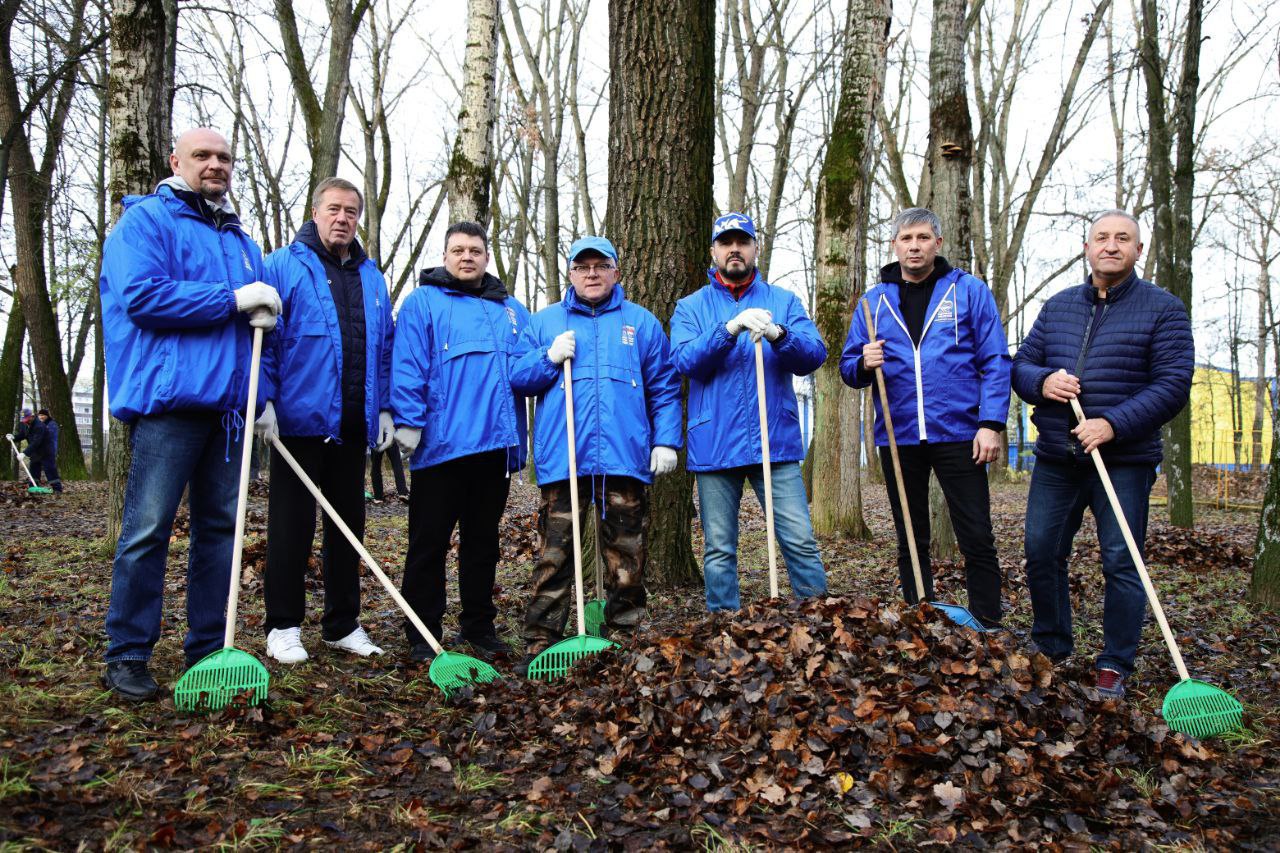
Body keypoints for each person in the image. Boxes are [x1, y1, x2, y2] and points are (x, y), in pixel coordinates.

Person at [99, 128, 281, 701]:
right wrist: (231, 300)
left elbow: (259, 335)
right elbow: (142, 297)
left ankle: (208, 650)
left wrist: (262, 397)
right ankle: (128, 653)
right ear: (176, 161)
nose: (215, 165)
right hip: (170, 405)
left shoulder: (243, 242)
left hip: (229, 412)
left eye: (224, 157)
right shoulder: (145, 222)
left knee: (222, 533)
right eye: (202, 155)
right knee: (147, 530)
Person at [1012, 209, 1193, 698]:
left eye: (1123, 238)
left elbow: (1173, 385)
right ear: (1087, 248)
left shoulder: (1164, 309)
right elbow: (1022, 365)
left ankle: (1115, 663)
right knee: (1041, 551)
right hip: (1057, 457)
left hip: (1125, 461)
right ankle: (1051, 645)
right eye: (1102, 237)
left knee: (1120, 558)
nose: (1111, 245)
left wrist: (1113, 424)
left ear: (1139, 250)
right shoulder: (1059, 307)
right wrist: (1043, 382)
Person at [509, 236, 682, 669]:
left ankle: (625, 633)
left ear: (616, 272)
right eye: (582, 267)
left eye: (601, 266)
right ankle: (541, 639)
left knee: (627, 554)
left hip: (624, 457)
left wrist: (665, 439)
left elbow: (664, 387)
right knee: (554, 554)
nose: (592, 274)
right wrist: (548, 357)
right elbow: (518, 376)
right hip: (563, 458)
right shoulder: (545, 322)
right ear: (570, 273)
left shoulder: (640, 323)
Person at [840, 207, 1010, 628]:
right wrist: (863, 362)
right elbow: (848, 369)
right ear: (894, 245)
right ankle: (921, 617)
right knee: (910, 537)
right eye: (906, 238)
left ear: (938, 243)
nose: (914, 246)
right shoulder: (873, 302)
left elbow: (995, 360)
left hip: (960, 432)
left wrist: (991, 423)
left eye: (922, 238)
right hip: (898, 435)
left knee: (976, 534)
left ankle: (988, 622)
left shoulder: (968, 291)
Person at [256, 177, 395, 664]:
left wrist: (384, 407)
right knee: (290, 529)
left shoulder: (372, 278)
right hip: (297, 424)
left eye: (351, 211)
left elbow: (384, 348)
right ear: (314, 212)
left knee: (347, 529)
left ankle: (342, 624)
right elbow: (264, 339)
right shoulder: (282, 265)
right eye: (334, 209)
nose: (342, 218)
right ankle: (283, 625)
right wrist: (263, 399)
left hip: (353, 425)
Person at [670, 212, 828, 611]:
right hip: (714, 442)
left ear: (756, 248)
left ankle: (820, 620)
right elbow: (685, 360)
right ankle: (725, 625)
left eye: (742, 242)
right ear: (714, 251)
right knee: (719, 548)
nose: (735, 250)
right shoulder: (691, 307)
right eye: (726, 243)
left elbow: (814, 355)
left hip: (775, 440)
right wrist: (728, 330)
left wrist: (780, 335)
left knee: (799, 540)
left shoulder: (783, 301)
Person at [390, 222, 530, 663]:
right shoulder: (423, 302)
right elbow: (408, 361)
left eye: (475, 250)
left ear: (486, 257)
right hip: (441, 447)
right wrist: (408, 420)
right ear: (445, 257)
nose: (466, 257)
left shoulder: (512, 310)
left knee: (483, 543)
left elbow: (529, 369)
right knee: (428, 543)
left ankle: (479, 626)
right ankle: (422, 632)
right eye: (458, 250)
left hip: (495, 448)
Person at [33, 409, 63, 493]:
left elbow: (48, 435)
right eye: (40, 415)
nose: (41, 417)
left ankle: (57, 488)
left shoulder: (52, 424)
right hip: (38, 451)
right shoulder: (38, 424)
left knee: (50, 469)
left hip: (49, 450)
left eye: (43, 415)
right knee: (34, 467)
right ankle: (33, 486)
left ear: (47, 416)